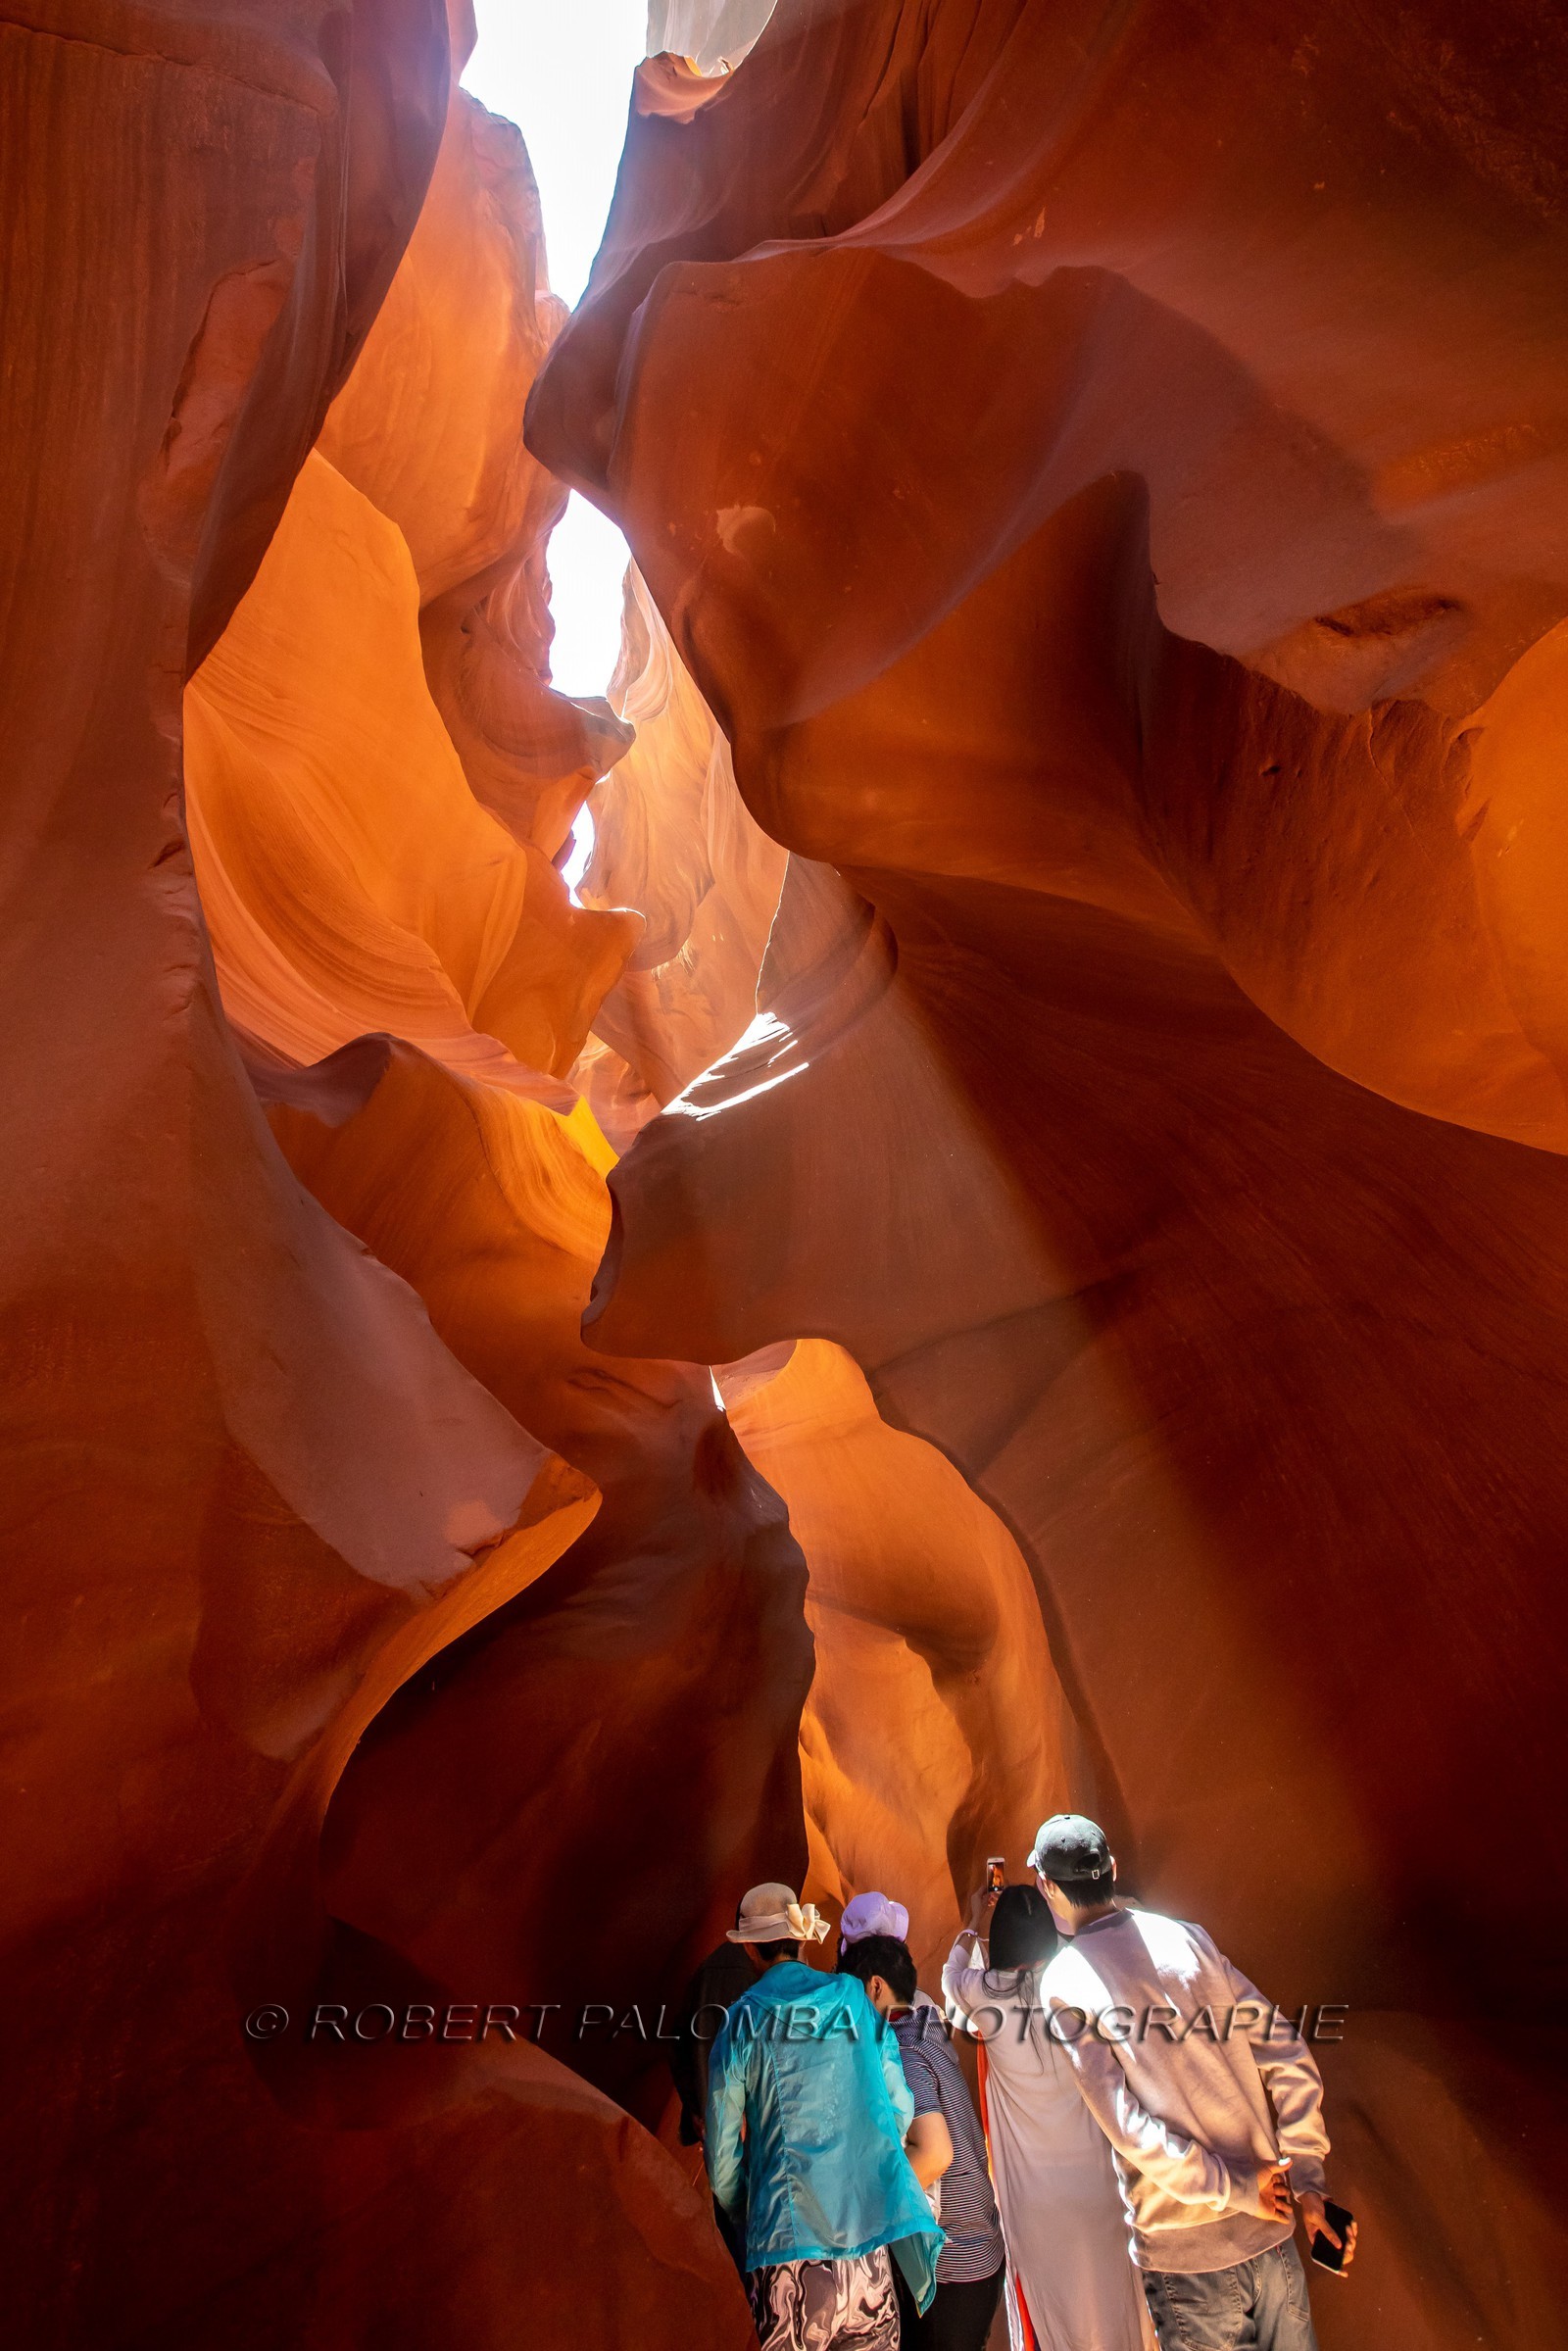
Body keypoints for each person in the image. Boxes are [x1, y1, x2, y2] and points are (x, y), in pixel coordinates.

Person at [1030, 1815, 1357, 2351]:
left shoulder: (1065, 1982)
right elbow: (1288, 2053)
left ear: (1048, 1888)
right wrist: (1308, 2180)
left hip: (1189, 2261)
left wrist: (1232, 2188)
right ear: (1112, 1870)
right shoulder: (1187, 1938)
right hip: (1275, 2239)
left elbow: (1130, 2128)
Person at [706, 1882, 944, 2351]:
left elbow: (722, 2159)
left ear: (751, 1948)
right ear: (800, 1940)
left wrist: (751, 2211)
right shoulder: (854, 1998)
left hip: (787, 2257)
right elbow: (898, 2108)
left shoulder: (742, 2021)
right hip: (866, 2243)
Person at [944, 1884, 1156, 2351]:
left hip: (1036, 2201)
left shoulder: (984, 1993)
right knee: (1117, 2303)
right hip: (1100, 2186)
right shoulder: (1078, 1979)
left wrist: (976, 1922)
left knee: (1057, 2316)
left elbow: (950, 1976)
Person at [839, 1931, 1005, 2351]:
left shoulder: (903, 2048)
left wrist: (861, 2207)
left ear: (874, 1986)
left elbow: (934, 2154)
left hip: (953, 2261)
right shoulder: (925, 2023)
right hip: (979, 2245)